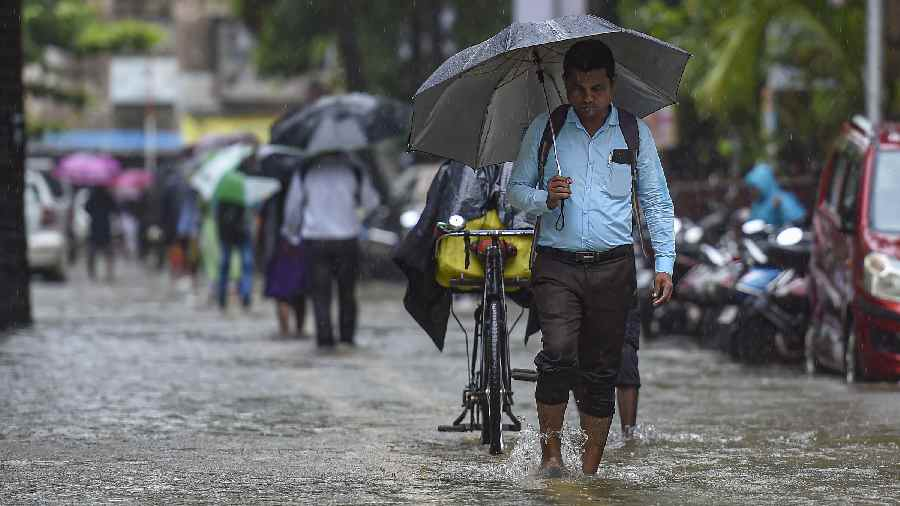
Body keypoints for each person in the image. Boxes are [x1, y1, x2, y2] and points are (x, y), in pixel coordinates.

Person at [508, 39, 675, 476]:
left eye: (597, 89)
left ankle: (588, 476)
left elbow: (655, 201)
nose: (587, 99)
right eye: (579, 89)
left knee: (603, 370)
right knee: (559, 353)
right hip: (557, 265)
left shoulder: (635, 133)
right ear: (565, 85)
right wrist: (546, 198)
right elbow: (516, 192)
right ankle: (550, 458)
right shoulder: (545, 130)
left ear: (612, 86)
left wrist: (664, 263)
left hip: (613, 267)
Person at [290, 152, 380, 348]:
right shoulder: (355, 169)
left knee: (320, 293)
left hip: (315, 239)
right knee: (347, 292)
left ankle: (324, 340)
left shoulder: (306, 170)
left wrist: (292, 233)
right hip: (347, 238)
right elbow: (371, 202)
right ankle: (346, 339)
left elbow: (293, 208)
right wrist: (355, 214)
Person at [264, 171, 308, 338]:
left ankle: (284, 331)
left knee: (282, 292)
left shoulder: (272, 192)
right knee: (300, 290)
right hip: (301, 243)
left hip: (280, 245)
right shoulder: (304, 185)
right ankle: (299, 330)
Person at [215, 200, 254, 310]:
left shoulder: (222, 193)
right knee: (244, 264)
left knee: (227, 264)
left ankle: (225, 295)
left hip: (231, 232)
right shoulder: (245, 192)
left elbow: (216, 215)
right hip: (237, 232)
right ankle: (241, 295)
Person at [744, 163, 806, 227]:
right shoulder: (757, 203)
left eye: (754, 188)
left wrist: (780, 210)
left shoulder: (781, 199)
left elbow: (797, 219)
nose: (751, 192)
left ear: (764, 185)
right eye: (750, 188)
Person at [616, 305, 642, 438]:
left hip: (623, 290)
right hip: (578, 288)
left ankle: (628, 438)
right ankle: (589, 436)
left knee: (626, 355)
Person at [84, 186, 117, 281]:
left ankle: (92, 272)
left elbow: (86, 208)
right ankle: (109, 272)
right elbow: (114, 208)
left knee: (93, 252)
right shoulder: (107, 196)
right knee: (107, 252)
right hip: (104, 227)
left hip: (95, 227)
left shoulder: (92, 196)